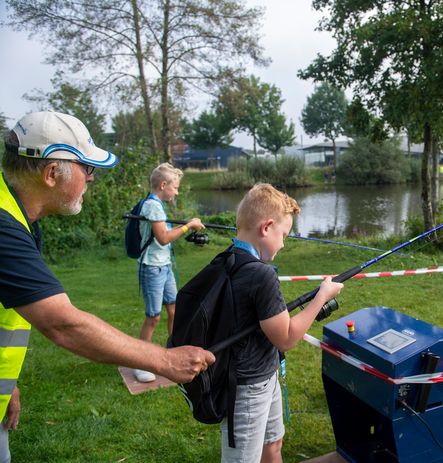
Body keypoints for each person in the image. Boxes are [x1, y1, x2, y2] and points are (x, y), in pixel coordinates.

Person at [0, 111, 215, 462]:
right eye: (87, 169)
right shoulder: (4, 227)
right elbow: (62, 323)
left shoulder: (17, 216)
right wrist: (163, 360)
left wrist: (7, 384)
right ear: (52, 173)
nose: (91, 179)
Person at [218, 183, 343, 463]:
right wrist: (321, 297)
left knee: (273, 443)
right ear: (267, 227)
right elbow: (286, 338)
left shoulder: (229, 256)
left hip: (264, 372)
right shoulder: (261, 274)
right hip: (247, 387)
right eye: (283, 235)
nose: (284, 244)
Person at [133, 163, 205, 383]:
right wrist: (188, 227)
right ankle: (140, 363)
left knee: (174, 310)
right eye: (175, 187)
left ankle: (172, 354)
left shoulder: (157, 204)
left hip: (164, 266)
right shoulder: (152, 206)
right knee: (153, 316)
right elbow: (163, 238)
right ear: (163, 185)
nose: (177, 191)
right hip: (152, 268)